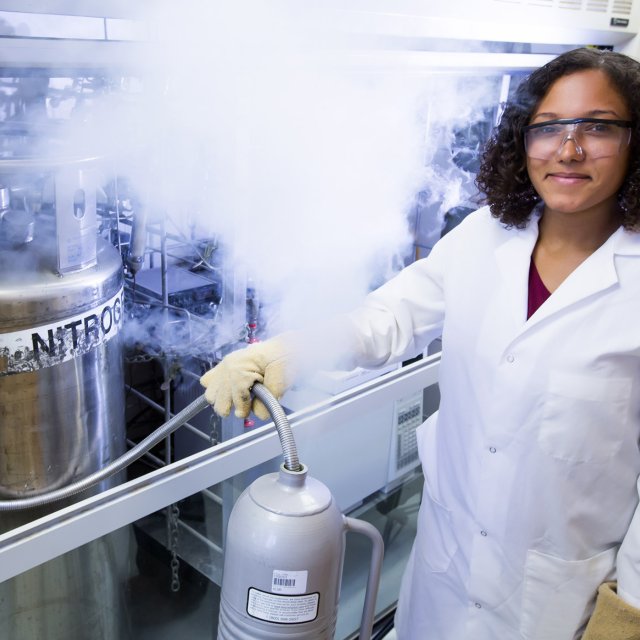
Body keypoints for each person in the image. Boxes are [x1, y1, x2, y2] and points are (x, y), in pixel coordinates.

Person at [200, 47, 640, 639]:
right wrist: (293, 351)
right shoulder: (487, 235)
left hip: (563, 602)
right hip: (446, 566)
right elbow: (388, 317)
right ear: (522, 140)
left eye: (598, 127)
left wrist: (626, 616)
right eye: (549, 127)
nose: (569, 148)